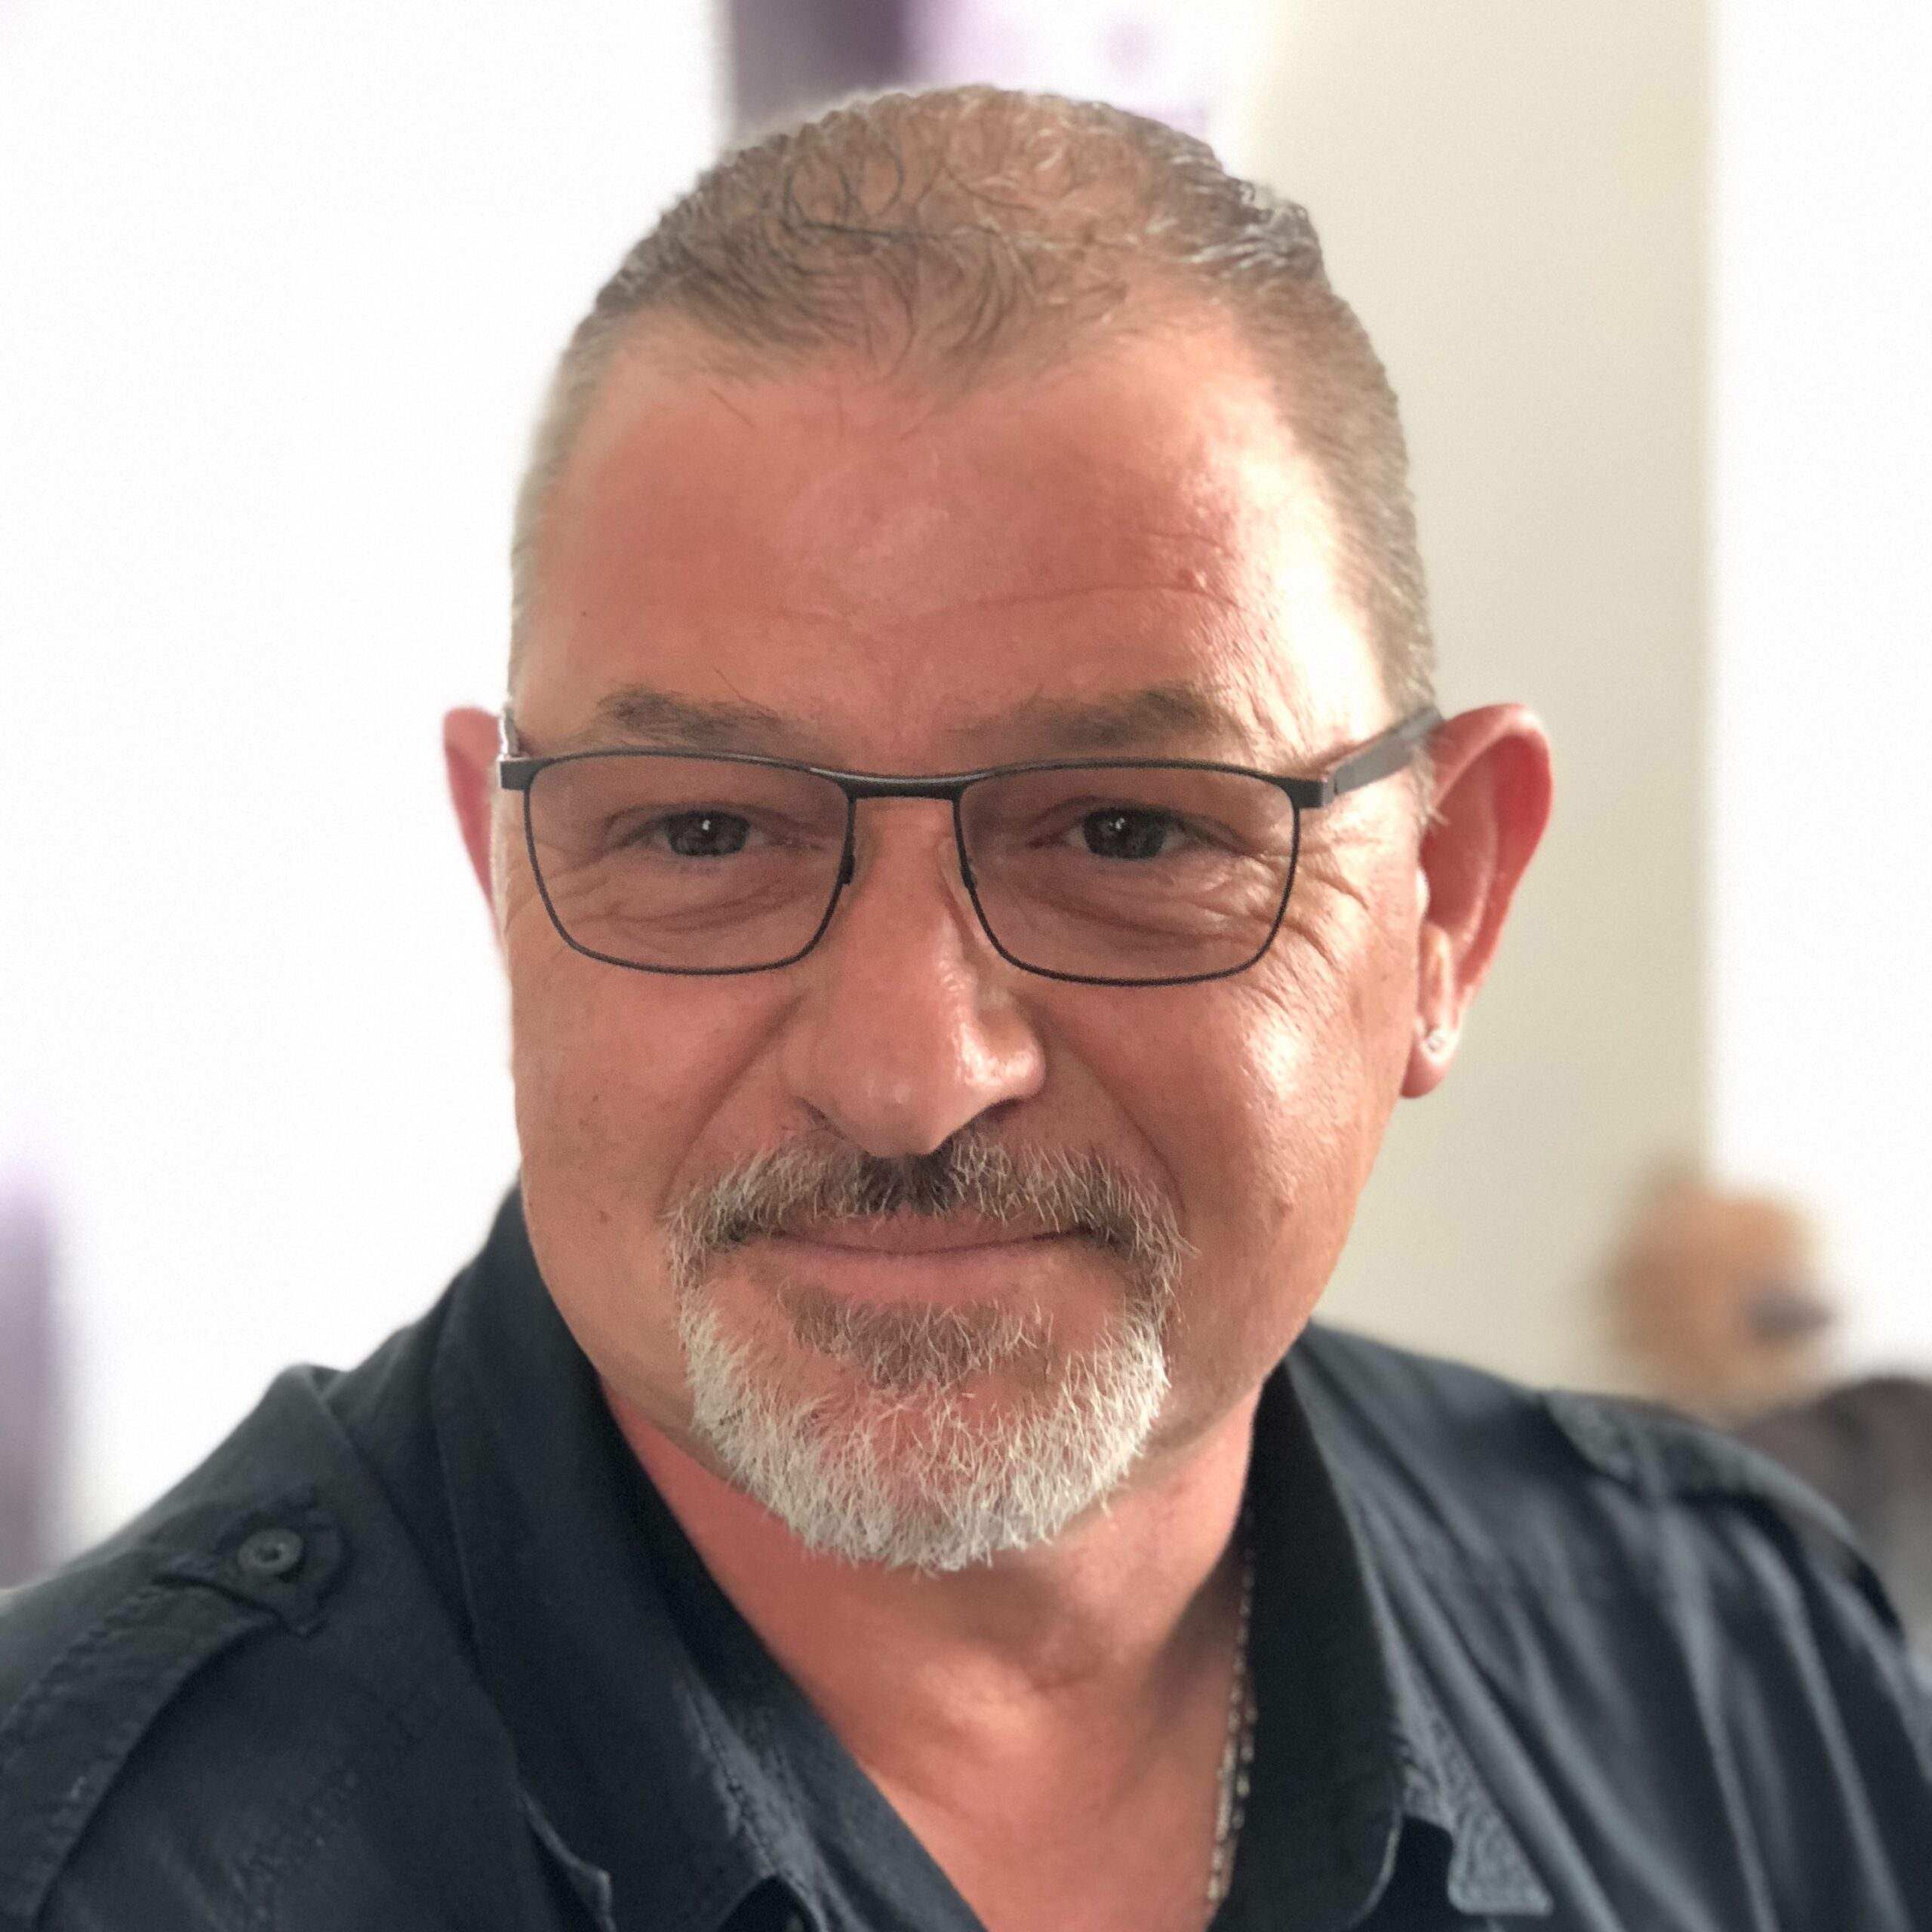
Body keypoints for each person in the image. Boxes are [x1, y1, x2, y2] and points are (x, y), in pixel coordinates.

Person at [2, 86, 1927, 1932]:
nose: (906, 1075)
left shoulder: (1737, 1689)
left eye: (1122, 830)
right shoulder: (87, 1866)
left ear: (1441, 903)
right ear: (505, 883)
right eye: (701, 831)